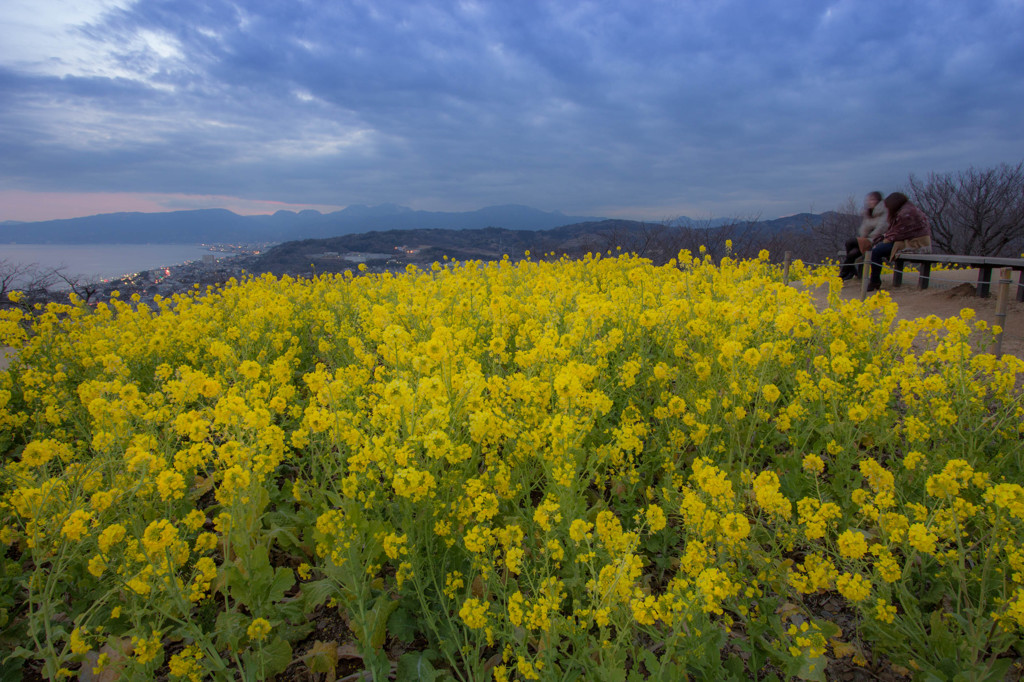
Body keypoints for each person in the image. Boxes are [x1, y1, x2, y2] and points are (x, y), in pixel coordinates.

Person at [866, 192, 932, 292]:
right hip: (909, 239)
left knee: (876, 251)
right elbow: (897, 232)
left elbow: (898, 234)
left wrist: (884, 237)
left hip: (916, 242)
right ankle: (874, 280)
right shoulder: (907, 209)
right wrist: (884, 237)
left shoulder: (906, 213)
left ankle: (874, 281)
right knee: (876, 248)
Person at [840, 192, 888, 280]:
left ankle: (845, 274)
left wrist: (867, 238)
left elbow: (881, 229)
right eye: (869, 200)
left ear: (879, 201)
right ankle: (848, 272)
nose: (870, 202)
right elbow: (863, 230)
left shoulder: (884, 213)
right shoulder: (869, 214)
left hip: (877, 241)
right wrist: (864, 238)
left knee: (850, 242)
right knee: (852, 253)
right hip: (866, 241)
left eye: (873, 199)